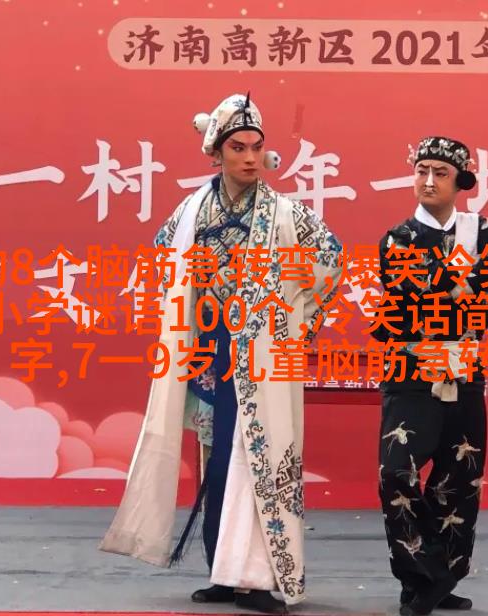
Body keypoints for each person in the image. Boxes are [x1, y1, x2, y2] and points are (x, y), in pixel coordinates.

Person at [100, 92, 344, 614]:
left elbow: (329, 262)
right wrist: (196, 305)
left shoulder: (286, 214)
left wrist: (289, 320)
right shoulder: (193, 210)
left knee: (258, 458)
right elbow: (164, 257)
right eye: (238, 147)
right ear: (217, 152)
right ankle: (223, 572)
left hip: (263, 351)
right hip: (211, 351)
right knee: (217, 461)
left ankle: (256, 578)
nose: (250, 158)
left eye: (257, 147)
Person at [372, 136, 488, 615]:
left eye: (440, 173)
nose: (429, 181)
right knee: (397, 472)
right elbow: (416, 294)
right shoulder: (397, 238)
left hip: (464, 368)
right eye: (422, 171)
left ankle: (439, 580)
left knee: (458, 480)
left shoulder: (484, 230)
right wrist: (462, 280)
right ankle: (426, 572)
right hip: (411, 370)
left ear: (461, 182)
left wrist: (454, 283)